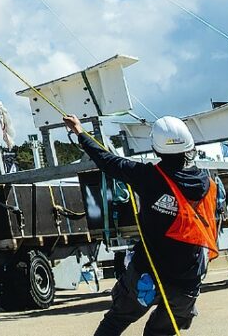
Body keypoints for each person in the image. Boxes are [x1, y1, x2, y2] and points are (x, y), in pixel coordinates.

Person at [62, 114, 219, 335]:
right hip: (187, 280)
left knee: (115, 321)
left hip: (147, 276)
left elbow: (108, 161)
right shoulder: (209, 186)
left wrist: (79, 132)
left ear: (156, 149)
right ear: (189, 145)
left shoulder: (148, 176)